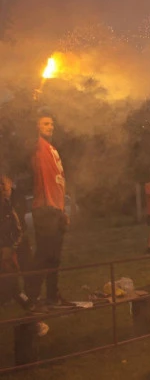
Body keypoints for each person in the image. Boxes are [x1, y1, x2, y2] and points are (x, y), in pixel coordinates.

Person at [26, 109, 73, 309]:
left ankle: (53, 297)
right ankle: (31, 298)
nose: (50, 126)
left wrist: (62, 211)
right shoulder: (37, 146)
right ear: (37, 127)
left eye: (51, 124)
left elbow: (59, 184)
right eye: (45, 123)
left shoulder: (53, 150)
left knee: (55, 257)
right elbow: (25, 134)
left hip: (56, 210)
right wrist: (33, 99)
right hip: (44, 208)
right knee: (44, 254)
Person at [0, 174, 48, 336]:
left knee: (16, 283)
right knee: (10, 285)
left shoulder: (11, 203)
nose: (2, 188)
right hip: (5, 252)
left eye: (4, 185)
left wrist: (10, 248)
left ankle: (34, 314)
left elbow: (18, 230)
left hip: (11, 250)